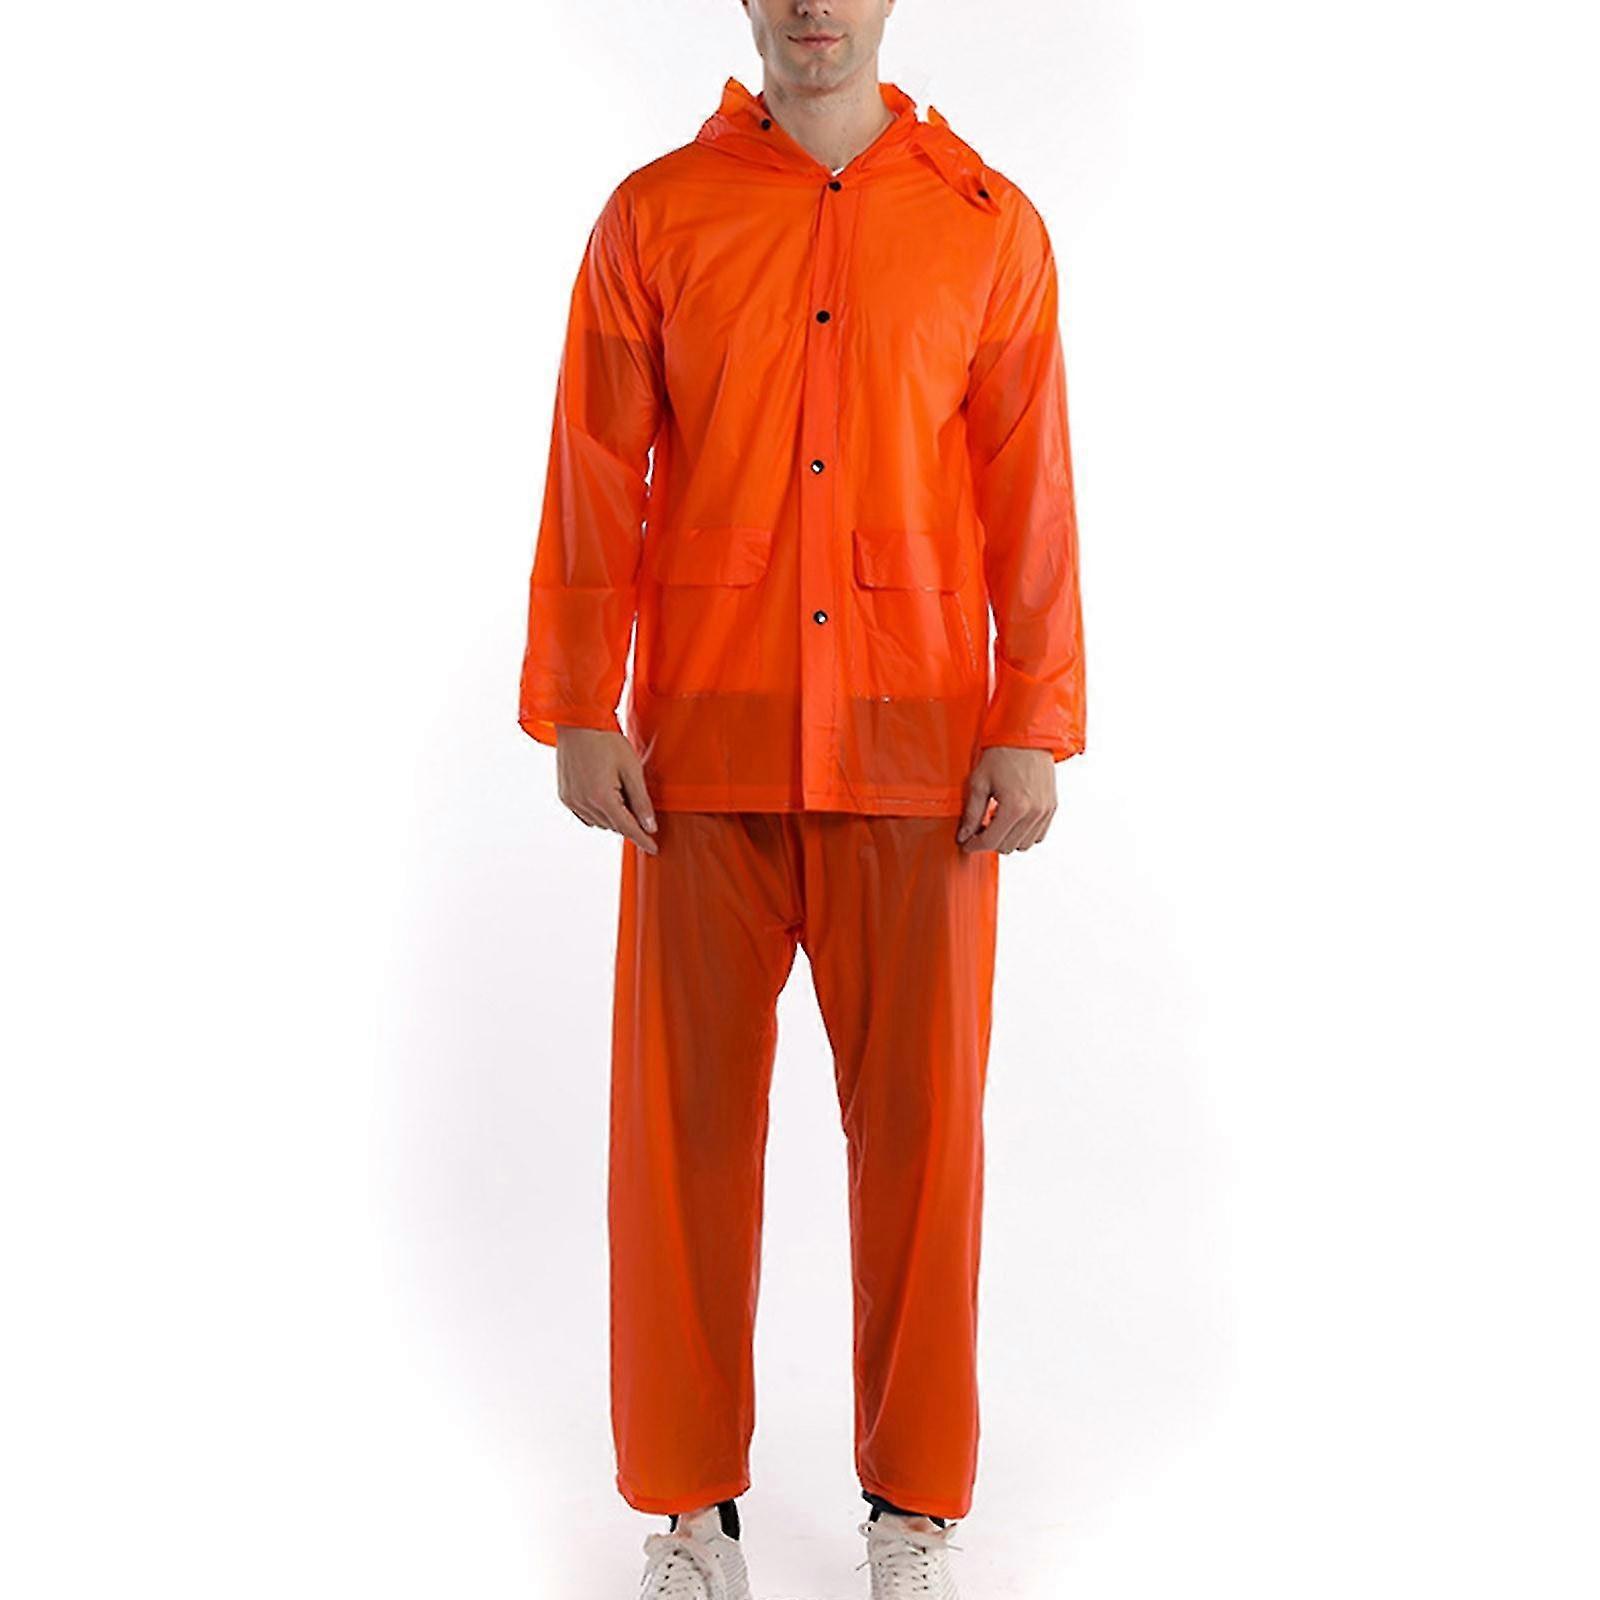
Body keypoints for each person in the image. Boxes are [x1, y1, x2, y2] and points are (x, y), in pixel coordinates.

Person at [517, 3, 1085, 1595]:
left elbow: (1029, 484)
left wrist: (1033, 718)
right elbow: (595, 463)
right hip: (698, 754)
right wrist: (579, 702)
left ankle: (913, 1514)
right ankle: (692, 1518)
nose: (812, 5)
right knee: (682, 1149)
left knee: (924, 1152)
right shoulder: (656, 219)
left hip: (921, 758)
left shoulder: (988, 225)